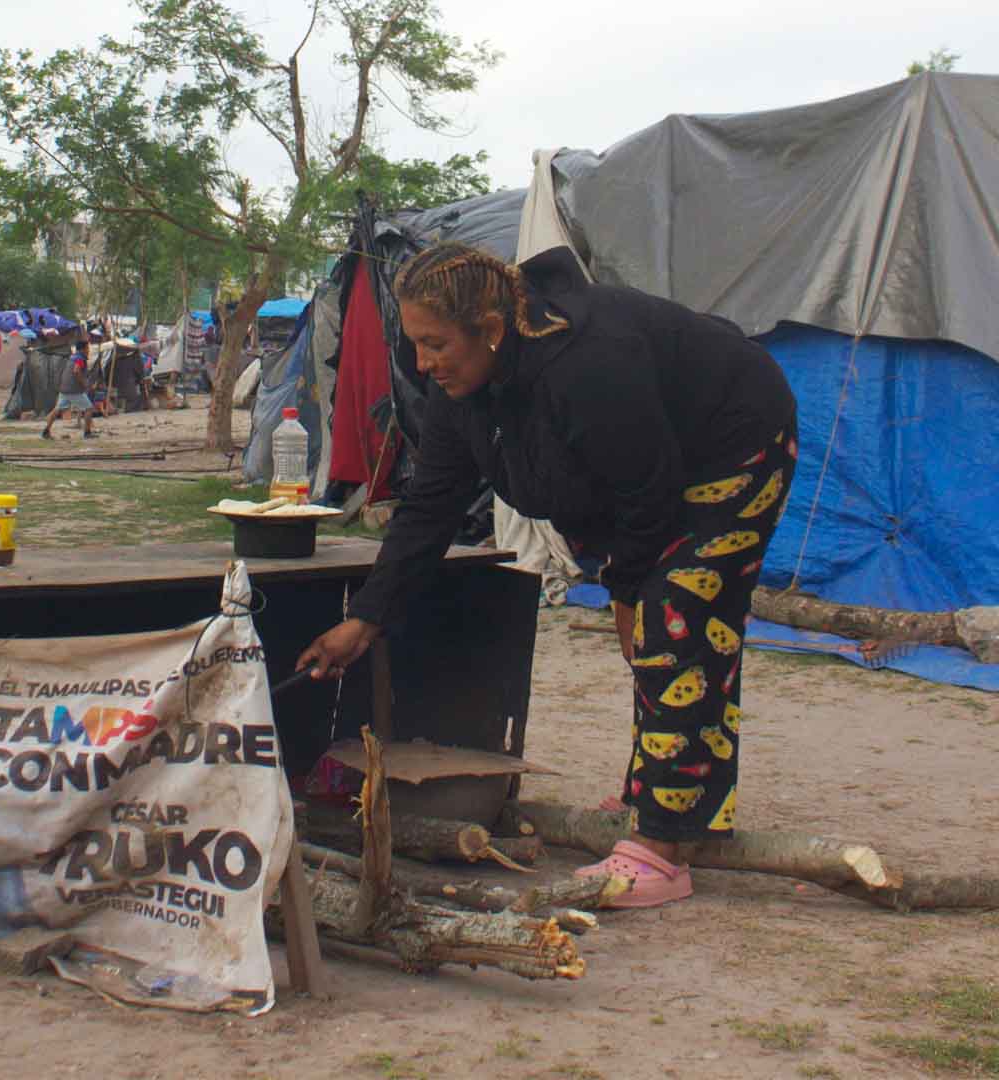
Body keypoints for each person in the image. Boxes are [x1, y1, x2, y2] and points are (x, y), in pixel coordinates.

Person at [295, 242, 797, 908]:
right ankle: (664, 803)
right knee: (663, 627)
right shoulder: (460, 387)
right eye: (414, 343)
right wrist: (366, 616)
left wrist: (626, 594)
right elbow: (430, 507)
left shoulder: (587, 363)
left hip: (734, 441)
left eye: (436, 343)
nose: (422, 362)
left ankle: (664, 849)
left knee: (676, 618)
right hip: (654, 470)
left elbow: (645, 493)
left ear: (493, 331)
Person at [42, 336, 97, 439]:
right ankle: (87, 433)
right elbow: (76, 371)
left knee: (57, 409)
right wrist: (84, 383)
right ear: (83, 349)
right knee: (89, 408)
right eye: (88, 348)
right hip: (73, 390)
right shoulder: (80, 358)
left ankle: (46, 431)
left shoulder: (73, 357)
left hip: (64, 388)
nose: (88, 350)